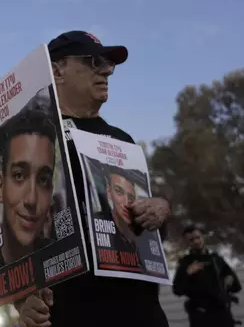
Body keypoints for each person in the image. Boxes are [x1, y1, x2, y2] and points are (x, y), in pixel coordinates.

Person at [18, 31, 172, 327]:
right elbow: (9, 233)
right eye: (93, 61)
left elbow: (147, 231)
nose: (106, 71)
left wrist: (160, 210)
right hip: (71, 312)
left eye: (109, 64)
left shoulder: (122, 140)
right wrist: (20, 301)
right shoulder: (28, 138)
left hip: (141, 311)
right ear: (57, 70)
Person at [0, 109, 56, 272]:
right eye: (19, 175)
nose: (31, 199)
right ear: (0, 186)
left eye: (43, 180)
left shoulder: (61, 265)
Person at [173, 225, 241, 327]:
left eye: (198, 237)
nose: (196, 241)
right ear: (187, 242)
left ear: (203, 237)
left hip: (223, 313)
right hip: (201, 316)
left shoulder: (216, 259)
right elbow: (177, 290)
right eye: (191, 240)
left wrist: (230, 279)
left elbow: (236, 286)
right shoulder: (185, 263)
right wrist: (187, 273)